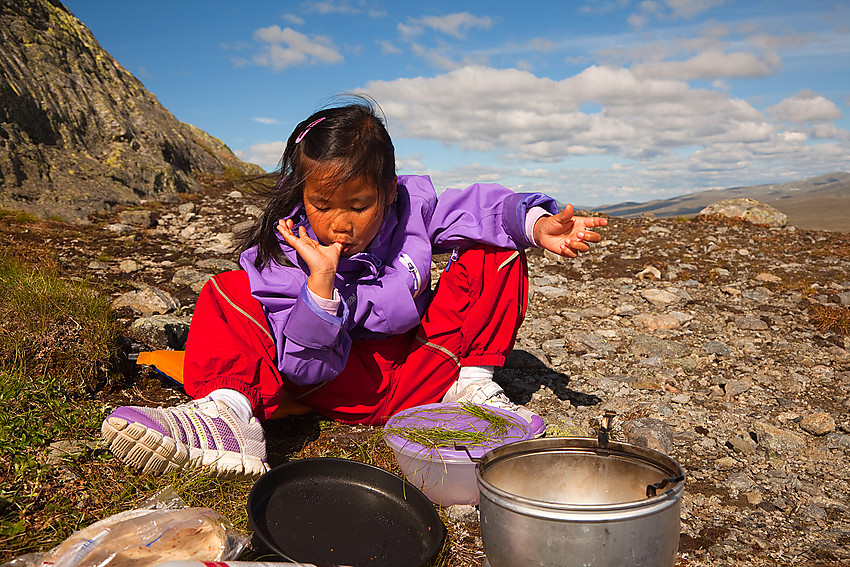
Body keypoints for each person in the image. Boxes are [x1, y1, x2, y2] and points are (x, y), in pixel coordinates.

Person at [101, 97, 607, 479]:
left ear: (388, 191)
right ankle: (227, 419)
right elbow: (305, 367)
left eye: (359, 204)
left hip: (422, 379)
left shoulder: (412, 207)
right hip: (336, 382)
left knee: (493, 248)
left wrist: (535, 223)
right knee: (229, 290)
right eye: (322, 203)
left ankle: (471, 391)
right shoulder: (284, 251)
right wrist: (319, 291)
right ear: (301, 193)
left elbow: (481, 209)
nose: (339, 223)